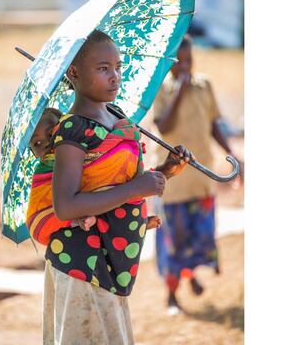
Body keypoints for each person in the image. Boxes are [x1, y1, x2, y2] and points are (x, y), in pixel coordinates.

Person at [28, 29, 193, 344]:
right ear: (73, 73)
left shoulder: (116, 118)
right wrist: (136, 190)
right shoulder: (73, 129)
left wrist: (164, 173)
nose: (115, 76)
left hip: (108, 261)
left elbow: (112, 184)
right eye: (103, 68)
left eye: (117, 67)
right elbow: (67, 205)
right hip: (80, 264)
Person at [153, 34, 243, 315]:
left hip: (201, 180)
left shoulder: (204, 85)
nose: (186, 66)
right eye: (179, 62)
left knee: (201, 234)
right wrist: (179, 90)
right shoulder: (162, 90)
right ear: (169, 64)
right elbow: (164, 126)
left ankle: (191, 274)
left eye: (189, 60)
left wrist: (234, 155)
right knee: (174, 240)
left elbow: (214, 123)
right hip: (174, 185)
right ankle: (171, 295)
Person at [27, 107, 162, 235]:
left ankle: (136, 223)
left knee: (107, 187)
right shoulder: (43, 170)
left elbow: (107, 178)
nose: (46, 143)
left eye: (51, 133)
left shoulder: (76, 147)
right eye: (37, 143)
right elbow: (40, 203)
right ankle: (79, 220)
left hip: (97, 201)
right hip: (63, 215)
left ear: (62, 127)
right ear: (32, 152)